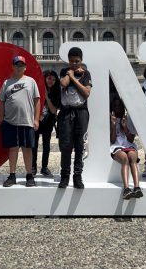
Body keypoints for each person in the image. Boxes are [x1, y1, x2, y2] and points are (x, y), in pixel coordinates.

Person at [0, 55, 41, 188]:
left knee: (27, 149)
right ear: (13, 66)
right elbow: (1, 101)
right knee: (13, 149)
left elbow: (37, 100)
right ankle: (12, 175)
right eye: (17, 64)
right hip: (10, 121)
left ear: (25, 67)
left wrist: (36, 119)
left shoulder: (31, 81)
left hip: (27, 121)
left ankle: (29, 175)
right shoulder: (7, 83)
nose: (19, 67)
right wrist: (1, 118)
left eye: (21, 65)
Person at [58, 47, 92, 189]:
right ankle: (64, 176)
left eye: (77, 61)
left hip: (81, 113)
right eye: (71, 61)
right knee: (66, 145)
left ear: (81, 60)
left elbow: (86, 93)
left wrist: (73, 78)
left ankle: (77, 176)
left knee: (80, 145)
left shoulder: (86, 74)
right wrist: (69, 74)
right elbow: (63, 84)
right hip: (66, 113)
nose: (74, 64)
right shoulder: (64, 72)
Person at [110, 96, 142, 199]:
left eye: (119, 105)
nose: (117, 108)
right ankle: (126, 189)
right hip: (116, 146)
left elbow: (131, 139)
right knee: (124, 158)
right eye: (115, 106)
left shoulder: (128, 119)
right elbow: (112, 140)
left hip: (128, 145)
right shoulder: (110, 119)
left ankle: (137, 187)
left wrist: (125, 127)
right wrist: (114, 126)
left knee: (132, 157)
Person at [33, 70, 60, 177]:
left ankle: (44, 167)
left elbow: (53, 110)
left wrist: (46, 96)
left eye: (53, 80)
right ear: (44, 78)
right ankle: (33, 166)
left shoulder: (56, 92)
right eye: (49, 78)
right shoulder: (36, 89)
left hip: (48, 121)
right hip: (35, 120)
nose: (51, 81)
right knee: (33, 145)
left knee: (46, 145)